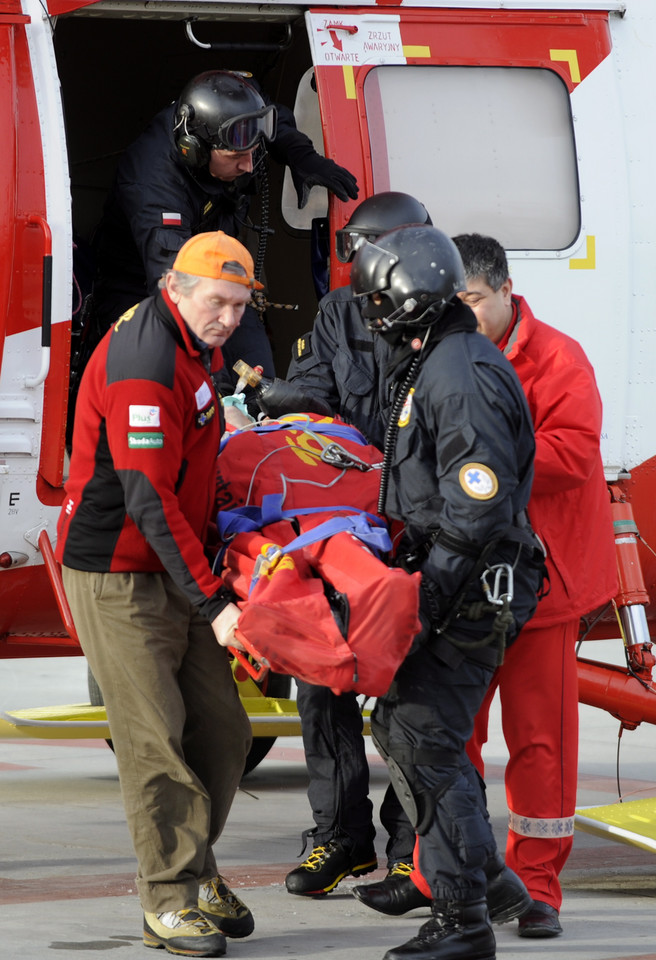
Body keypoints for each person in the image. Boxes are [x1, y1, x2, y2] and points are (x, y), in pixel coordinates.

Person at [56, 231, 262, 958]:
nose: (230, 319)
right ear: (175, 287)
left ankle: (195, 871)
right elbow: (148, 497)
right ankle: (169, 901)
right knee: (155, 741)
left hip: (168, 568)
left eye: (240, 306)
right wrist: (214, 602)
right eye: (219, 302)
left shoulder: (188, 342)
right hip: (120, 575)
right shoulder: (146, 362)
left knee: (225, 731)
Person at [348, 224, 545, 960]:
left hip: (471, 582)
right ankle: (490, 885)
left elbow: (477, 502)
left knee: (422, 737)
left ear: (408, 300)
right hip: (458, 573)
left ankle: (464, 920)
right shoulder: (438, 359)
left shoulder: (457, 373)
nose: (370, 316)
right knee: (404, 729)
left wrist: (426, 601)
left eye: (376, 301)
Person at [453, 233, 618, 936]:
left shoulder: (557, 358)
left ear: (505, 290)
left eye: (471, 301)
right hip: (463, 580)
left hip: (539, 588)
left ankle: (537, 887)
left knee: (538, 741)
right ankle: (448, 879)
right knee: (450, 734)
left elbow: (574, 454)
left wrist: (478, 460)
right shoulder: (446, 351)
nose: (461, 315)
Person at [280, 193, 432, 897]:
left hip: (416, 530)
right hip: (346, 523)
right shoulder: (339, 312)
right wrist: (278, 398)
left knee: (407, 691)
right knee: (321, 677)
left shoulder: (438, 320)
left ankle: (410, 849)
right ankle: (340, 837)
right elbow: (317, 388)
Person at [88, 68, 359, 379]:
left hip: (219, 273)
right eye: (235, 158)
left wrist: (301, 155)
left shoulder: (235, 100)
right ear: (196, 152)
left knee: (261, 379)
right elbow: (178, 293)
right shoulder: (153, 187)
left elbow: (269, 117)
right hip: (148, 287)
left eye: (252, 154)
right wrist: (214, 386)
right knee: (175, 379)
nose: (247, 166)